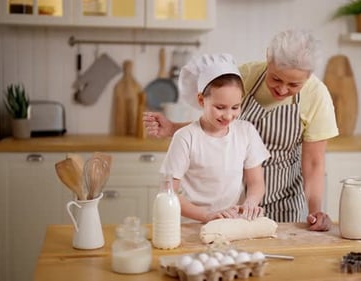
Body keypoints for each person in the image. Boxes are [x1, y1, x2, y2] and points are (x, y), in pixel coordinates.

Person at [144, 29, 338, 231]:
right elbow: (216, 123)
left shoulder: (317, 96)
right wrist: (174, 129)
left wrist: (315, 210)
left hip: (284, 197)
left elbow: (314, 162)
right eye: (276, 79)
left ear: (308, 76)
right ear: (267, 59)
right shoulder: (245, 76)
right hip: (234, 206)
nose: (282, 90)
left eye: (294, 84)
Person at [160, 53, 270, 223]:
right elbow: (168, 192)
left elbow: (256, 182)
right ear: (201, 100)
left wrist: (250, 203)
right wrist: (206, 216)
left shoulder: (246, 132)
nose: (228, 116)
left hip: (232, 223)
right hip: (192, 226)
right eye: (220, 107)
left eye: (235, 107)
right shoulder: (185, 137)